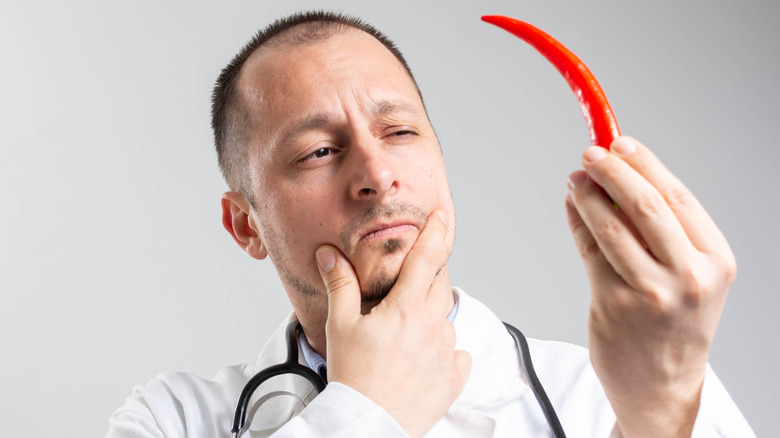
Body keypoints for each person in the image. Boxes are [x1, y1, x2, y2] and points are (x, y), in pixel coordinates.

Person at [108, 10, 754, 437]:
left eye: (400, 131)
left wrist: (665, 400)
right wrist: (365, 411)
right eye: (318, 152)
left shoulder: (609, 397)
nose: (377, 172)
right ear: (245, 224)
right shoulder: (173, 419)